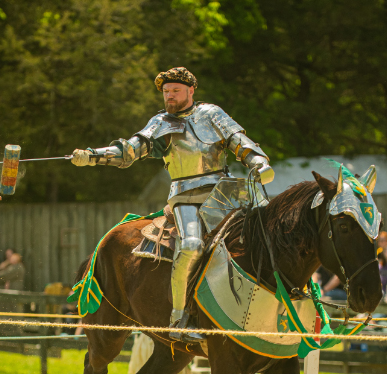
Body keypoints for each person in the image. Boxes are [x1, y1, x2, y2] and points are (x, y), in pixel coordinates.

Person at [71, 67, 274, 342]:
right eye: (166, 92)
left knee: (270, 229)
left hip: (224, 192)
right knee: (191, 245)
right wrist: (93, 155)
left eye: (175, 91)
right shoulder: (160, 122)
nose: (169, 96)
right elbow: (130, 150)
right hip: (185, 195)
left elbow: (240, 142)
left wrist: (258, 161)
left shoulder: (212, 114)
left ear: (191, 91)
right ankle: (180, 317)